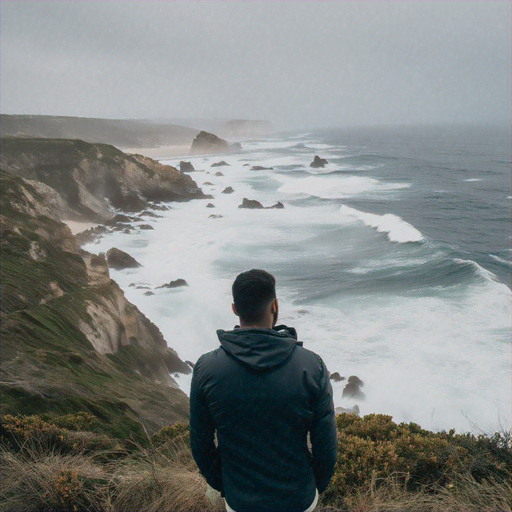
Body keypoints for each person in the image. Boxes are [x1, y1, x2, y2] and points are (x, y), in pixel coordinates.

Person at [190, 269, 337, 512]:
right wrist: (313, 488)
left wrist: (226, 486)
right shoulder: (311, 366)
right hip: (298, 499)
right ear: (275, 306)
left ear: (235, 309)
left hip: (240, 501)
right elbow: (326, 448)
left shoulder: (207, 368)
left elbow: (201, 444)